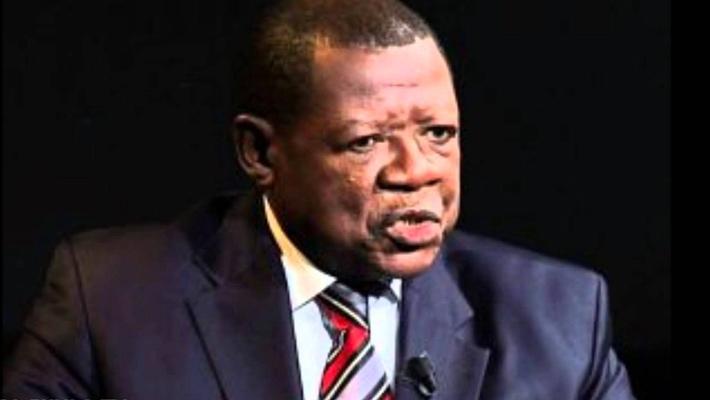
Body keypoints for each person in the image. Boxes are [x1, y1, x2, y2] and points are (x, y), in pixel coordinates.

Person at [3, 0, 635, 399]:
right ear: (259, 152)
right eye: (366, 142)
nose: (417, 172)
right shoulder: (110, 300)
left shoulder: (559, 318)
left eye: (439, 134)